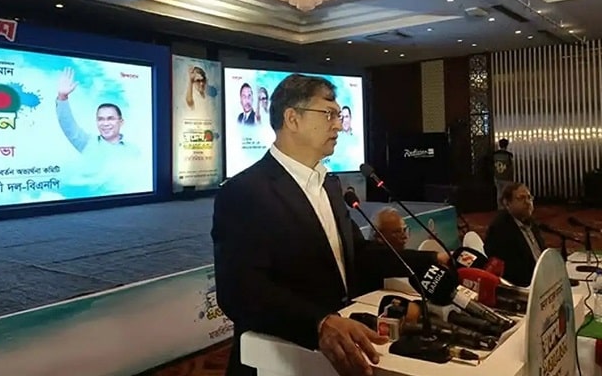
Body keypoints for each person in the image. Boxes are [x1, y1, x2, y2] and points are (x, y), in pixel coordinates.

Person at [212, 74, 443, 376]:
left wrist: (430, 261)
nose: (339, 125)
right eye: (328, 114)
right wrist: (319, 323)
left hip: (338, 353)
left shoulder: (329, 185)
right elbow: (240, 291)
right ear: (292, 119)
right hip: (278, 361)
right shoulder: (244, 192)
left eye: (338, 115)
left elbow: (356, 254)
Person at [483, 182, 545, 287]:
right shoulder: (500, 229)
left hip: (542, 278)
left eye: (529, 197)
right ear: (507, 203)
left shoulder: (531, 222)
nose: (527, 202)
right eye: (521, 198)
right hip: (523, 286)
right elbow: (512, 270)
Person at [492, 138, 514, 208]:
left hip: (497, 177)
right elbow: (511, 167)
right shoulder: (508, 155)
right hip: (507, 178)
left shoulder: (495, 155)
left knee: (499, 193)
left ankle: (500, 208)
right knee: (507, 194)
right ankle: (506, 208)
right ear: (506, 145)